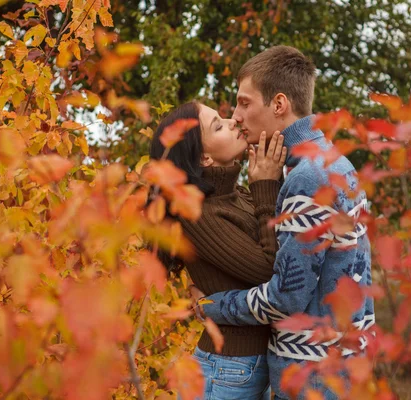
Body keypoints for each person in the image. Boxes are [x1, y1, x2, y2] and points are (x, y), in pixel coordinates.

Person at [194, 46, 375, 399]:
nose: (237, 117)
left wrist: (211, 306)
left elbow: (287, 296)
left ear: (279, 105)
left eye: (244, 103)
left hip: (314, 375)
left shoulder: (307, 178)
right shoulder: (332, 161)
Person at [149, 101, 287, 400]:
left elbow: (280, 240)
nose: (233, 121)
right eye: (218, 125)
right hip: (227, 370)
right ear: (204, 157)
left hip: (246, 367)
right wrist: (265, 185)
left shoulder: (235, 196)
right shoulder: (198, 215)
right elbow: (271, 270)